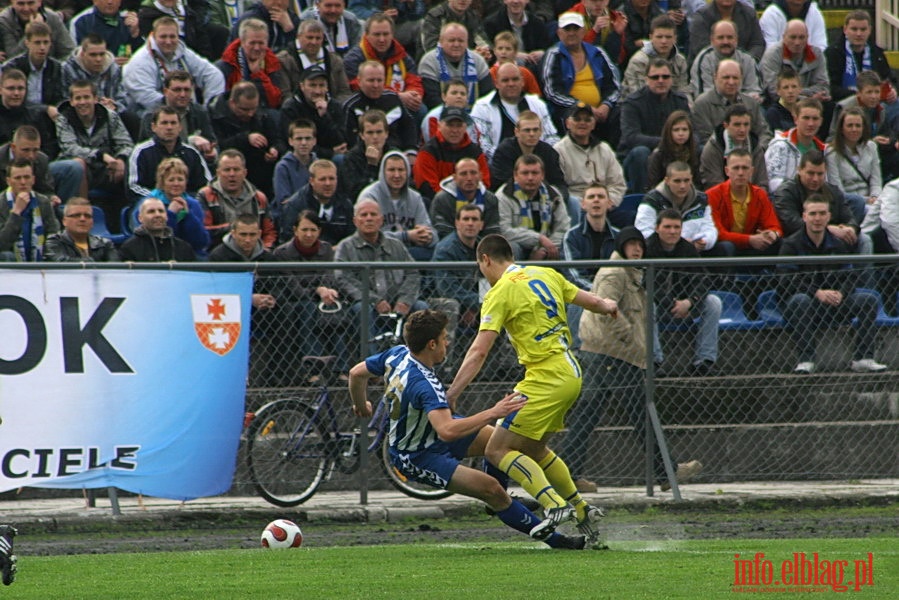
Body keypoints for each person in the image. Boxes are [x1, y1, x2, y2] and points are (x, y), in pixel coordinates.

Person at [348, 309, 588, 550]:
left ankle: (503, 502)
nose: (448, 342)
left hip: (430, 434)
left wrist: (361, 405)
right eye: (444, 338)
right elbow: (448, 431)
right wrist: (494, 412)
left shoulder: (397, 354)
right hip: (418, 456)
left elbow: (356, 374)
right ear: (432, 344)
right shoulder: (424, 385)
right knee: (492, 490)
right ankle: (559, 541)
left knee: (501, 443)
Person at [446, 233, 617, 542]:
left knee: (496, 449)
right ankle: (580, 508)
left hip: (545, 377)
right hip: (571, 371)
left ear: (485, 259)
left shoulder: (500, 293)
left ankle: (553, 504)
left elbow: (478, 351)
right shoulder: (546, 273)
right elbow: (591, 300)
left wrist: (453, 392)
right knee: (535, 449)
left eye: (479, 264)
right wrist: (607, 306)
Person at [559, 225, 703, 493]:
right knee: (640, 414)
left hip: (612, 354)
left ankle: (569, 475)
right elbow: (604, 307)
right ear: (622, 247)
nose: (637, 249)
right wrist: (628, 337)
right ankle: (667, 472)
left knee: (590, 415)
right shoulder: (615, 273)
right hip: (614, 355)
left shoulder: (632, 273)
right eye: (631, 244)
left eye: (640, 245)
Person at [777, 196, 887, 374]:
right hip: (804, 304)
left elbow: (850, 277)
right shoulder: (791, 244)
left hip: (834, 302)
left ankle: (863, 358)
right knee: (800, 300)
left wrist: (841, 293)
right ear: (804, 216)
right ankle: (806, 360)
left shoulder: (838, 244)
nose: (817, 218)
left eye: (822, 213)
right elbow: (786, 279)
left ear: (829, 217)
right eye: (813, 214)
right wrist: (817, 292)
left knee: (868, 300)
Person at [334, 198, 429, 360]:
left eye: (373, 214)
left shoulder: (396, 245)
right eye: (364, 215)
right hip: (363, 305)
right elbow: (343, 278)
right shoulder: (346, 247)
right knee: (363, 309)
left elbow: (413, 273)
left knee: (421, 307)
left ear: (381, 219)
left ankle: (422, 362)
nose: (369, 218)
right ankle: (375, 365)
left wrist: (405, 300)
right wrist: (374, 300)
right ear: (355, 221)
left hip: (398, 303)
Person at [644, 208, 722, 375]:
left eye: (676, 227)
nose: (672, 231)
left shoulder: (688, 249)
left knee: (714, 302)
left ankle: (704, 361)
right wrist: (674, 305)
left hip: (686, 304)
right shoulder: (647, 249)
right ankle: (654, 362)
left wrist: (690, 302)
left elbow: (703, 280)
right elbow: (647, 285)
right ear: (657, 228)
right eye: (667, 227)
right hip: (658, 305)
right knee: (646, 303)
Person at [273, 209, 345, 369]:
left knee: (334, 308)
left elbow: (328, 277)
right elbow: (293, 288)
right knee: (309, 309)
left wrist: (327, 290)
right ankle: (314, 368)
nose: (309, 234)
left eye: (313, 230)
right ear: (295, 230)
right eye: (304, 229)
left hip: (323, 299)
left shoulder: (326, 250)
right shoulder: (282, 253)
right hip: (293, 303)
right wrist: (317, 290)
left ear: (319, 231)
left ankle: (341, 368)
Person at [55, 80, 134, 225]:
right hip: (78, 169)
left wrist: (121, 160)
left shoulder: (110, 116)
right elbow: (70, 148)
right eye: (78, 98)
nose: (82, 102)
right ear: (71, 101)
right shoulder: (63, 119)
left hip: (106, 168)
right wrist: (101, 155)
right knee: (78, 164)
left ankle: (128, 221)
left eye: (86, 97)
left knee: (127, 168)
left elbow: (126, 143)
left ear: (95, 99)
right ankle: (83, 217)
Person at [541, 12, 621, 139]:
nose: (572, 33)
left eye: (576, 29)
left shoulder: (598, 52)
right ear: (559, 33)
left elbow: (614, 86)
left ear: (583, 31)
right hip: (569, 109)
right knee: (572, 117)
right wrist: (584, 108)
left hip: (601, 111)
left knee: (620, 113)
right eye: (567, 29)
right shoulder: (553, 55)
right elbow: (552, 92)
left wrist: (606, 105)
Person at [122, 16, 225, 113]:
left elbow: (213, 75)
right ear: (153, 36)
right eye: (163, 37)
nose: (168, 41)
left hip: (186, 111)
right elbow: (147, 98)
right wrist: (180, 109)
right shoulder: (139, 62)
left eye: (172, 36)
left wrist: (208, 108)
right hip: (149, 115)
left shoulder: (183, 52)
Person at [619, 58, 690, 194]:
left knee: (697, 148)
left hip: (672, 152)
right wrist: (666, 142)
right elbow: (631, 137)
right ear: (646, 79)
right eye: (655, 77)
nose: (661, 80)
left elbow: (692, 131)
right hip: (636, 158)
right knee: (641, 152)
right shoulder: (633, 103)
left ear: (672, 79)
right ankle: (642, 199)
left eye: (665, 76)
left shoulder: (680, 101)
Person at [208, 81, 285, 200]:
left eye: (253, 109)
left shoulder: (262, 114)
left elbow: (278, 139)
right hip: (230, 175)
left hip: (262, 177)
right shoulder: (215, 115)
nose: (250, 114)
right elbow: (218, 146)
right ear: (232, 103)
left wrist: (275, 150)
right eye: (244, 109)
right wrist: (245, 138)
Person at [469, 62, 558, 162]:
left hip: (537, 164)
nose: (511, 84)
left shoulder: (538, 104)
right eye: (505, 80)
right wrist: (513, 159)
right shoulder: (481, 107)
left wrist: (537, 159)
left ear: (522, 82)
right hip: (498, 166)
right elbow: (482, 145)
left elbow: (552, 138)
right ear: (496, 83)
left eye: (515, 79)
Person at [772, 149, 861, 248]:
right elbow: (791, 223)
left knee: (863, 239)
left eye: (820, 174)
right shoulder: (785, 192)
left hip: (832, 240)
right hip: (798, 240)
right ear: (799, 170)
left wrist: (851, 229)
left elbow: (849, 217)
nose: (815, 179)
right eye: (810, 173)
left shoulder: (833, 191)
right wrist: (829, 229)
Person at [358, 151, 437, 261]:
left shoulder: (415, 197)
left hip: (409, 253)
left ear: (407, 172)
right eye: (391, 170)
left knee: (434, 253)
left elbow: (432, 234)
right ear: (383, 173)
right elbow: (369, 237)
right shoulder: (369, 196)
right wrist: (406, 236)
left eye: (401, 170)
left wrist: (427, 236)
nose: (397, 175)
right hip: (376, 254)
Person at [343, 12, 424, 118]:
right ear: (366, 35)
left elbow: (414, 79)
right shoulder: (354, 58)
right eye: (377, 34)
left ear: (392, 34)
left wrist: (414, 94)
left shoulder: (401, 54)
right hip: (368, 101)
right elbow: (357, 86)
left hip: (401, 98)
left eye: (386, 34)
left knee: (420, 109)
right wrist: (397, 96)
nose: (382, 39)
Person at [128, 105, 213, 205]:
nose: (169, 127)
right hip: (149, 208)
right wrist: (162, 200)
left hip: (187, 207)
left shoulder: (192, 153)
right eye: (164, 123)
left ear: (180, 127)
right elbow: (133, 187)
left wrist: (187, 201)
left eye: (173, 123)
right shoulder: (141, 151)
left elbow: (207, 186)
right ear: (153, 127)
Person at [706, 149, 783, 257]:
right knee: (727, 246)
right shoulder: (712, 195)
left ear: (751, 171)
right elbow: (717, 233)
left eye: (745, 168)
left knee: (779, 243)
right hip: (726, 247)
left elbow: (774, 226)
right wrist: (749, 240)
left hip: (752, 246)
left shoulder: (760, 194)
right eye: (736, 168)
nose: (741, 173)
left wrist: (772, 234)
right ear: (727, 171)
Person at [197, 149, 277, 251]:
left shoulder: (259, 198)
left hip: (254, 256)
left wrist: (266, 249)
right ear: (218, 173)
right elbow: (203, 232)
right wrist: (232, 228)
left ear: (245, 172)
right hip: (218, 256)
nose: (232, 174)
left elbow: (269, 232)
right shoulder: (205, 195)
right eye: (227, 170)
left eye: (236, 169)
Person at [553, 101, 626, 213]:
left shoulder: (604, 149)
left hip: (606, 206)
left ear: (594, 124)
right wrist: (586, 204)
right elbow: (559, 188)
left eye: (587, 120)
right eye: (577, 119)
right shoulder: (558, 151)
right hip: (577, 208)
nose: (582, 123)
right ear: (568, 123)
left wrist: (609, 201)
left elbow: (617, 183)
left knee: (630, 217)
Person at [496, 154, 570, 260]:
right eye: (525, 173)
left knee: (566, 246)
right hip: (520, 247)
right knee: (511, 248)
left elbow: (563, 229)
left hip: (547, 248)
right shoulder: (504, 196)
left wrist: (545, 248)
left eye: (535, 173)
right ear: (515, 175)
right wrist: (539, 239)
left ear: (542, 175)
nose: (530, 178)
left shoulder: (554, 195)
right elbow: (504, 231)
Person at [635, 161, 718, 256]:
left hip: (695, 249)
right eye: (677, 181)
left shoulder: (701, 200)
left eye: (686, 180)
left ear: (691, 179)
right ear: (667, 181)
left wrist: (705, 241)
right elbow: (643, 231)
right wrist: (679, 243)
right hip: (663, 251)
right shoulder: (652, 200)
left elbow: (709, 227)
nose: (682, 186)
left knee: (724, 248)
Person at [132, 157, 210, 258]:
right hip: (154, 251)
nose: (176, 184)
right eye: (171, 180)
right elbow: (153, 238)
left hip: (187, 253)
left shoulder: (193, 204)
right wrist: (171, 214)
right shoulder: (148, 204)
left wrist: (188, 215)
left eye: (180, 179)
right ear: (162, 182)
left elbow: (201, 242)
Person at [342, 60, 418, 158]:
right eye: (371, 80)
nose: (376, 85)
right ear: (359, 81)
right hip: (363, 157)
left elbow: (408, 126)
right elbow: (350, 141)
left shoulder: (393, 99)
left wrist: (410, 151)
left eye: (379, 80)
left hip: (397, 155)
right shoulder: (350, 106)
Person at [414, 106, 490, 202]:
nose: (454, 130)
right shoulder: (428, 152)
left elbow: (484, 183)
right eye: (450, 125)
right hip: (440, 205)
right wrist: (454, 203)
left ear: (465, 127)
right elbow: (427, 187)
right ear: (439, 125)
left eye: (459, 125)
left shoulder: (475, 152)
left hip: (473, 205)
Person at [692, 59, 772, 148]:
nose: (731, 82)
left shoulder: (751, 103)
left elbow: (764, 133)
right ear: (715, 77)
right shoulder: (702, 104)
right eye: (726, 77)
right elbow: (705, 139)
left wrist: (757, 152)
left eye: (735, 78)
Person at [825, 10, 898, 105]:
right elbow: (830, 87)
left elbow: (889, 78)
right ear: (845, 29)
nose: (859, 34)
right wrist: (860, 95)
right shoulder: (833, 53)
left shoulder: (877, 53)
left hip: (875, 102)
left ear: (870, 30)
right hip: (845, 103)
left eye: (863, 29)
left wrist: (893, 90)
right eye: (854, 29)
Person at [432, 203, 484, 332]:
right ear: (457, 223)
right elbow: (447, 290)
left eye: (474, 219)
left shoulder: (483, 248)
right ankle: (445, 352)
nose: (470, 223)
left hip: (471, 300)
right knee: (451, 305)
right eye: (466, 219)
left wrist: (474, 307)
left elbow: (486, 282)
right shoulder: (446, 249)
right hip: (436, 299)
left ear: (481, 224)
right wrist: (476, 302)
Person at [216, 18, 290, 109]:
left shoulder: (273, 63)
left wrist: (258, 75)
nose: (257, 48)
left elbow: (275, 102)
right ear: (242, 42)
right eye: (252, 43)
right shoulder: (225, 66)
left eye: (261, 43)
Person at [278, 65, 348, 161]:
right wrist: (329, 153)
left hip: (331, 158)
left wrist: (324, 116)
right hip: (301, 158)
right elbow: (292, 143)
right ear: (302, 86)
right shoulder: (291, 108)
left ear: (327, 87)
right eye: (312, 85)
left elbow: (341, 141)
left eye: (321, 85)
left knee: (341, 159)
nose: (317, 91)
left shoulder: (334, 106)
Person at [418, 23, 493, 110]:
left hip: (475, 114)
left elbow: (488, 95)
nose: (456, 44)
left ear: (467, 42)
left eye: (461, 41)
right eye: (451, 40)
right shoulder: (429, 61)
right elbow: (431, 98)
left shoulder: (478, 61)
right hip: (440, 113)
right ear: (441, 42)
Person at [279, 158, 354, 246]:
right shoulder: (295, 205)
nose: (328, 183)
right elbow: (287, 241)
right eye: (322, 179)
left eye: (332, 178)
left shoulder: (345, 204)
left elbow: (351, 237)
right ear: (312, 181)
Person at [489, 110, 565, 197]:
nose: (532, 134)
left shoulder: (549, 152)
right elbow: (501, 182)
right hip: (510, 197)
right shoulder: (504, 151)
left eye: (535, 130)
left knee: (572, 201)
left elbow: (559, 183)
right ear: (517, 132)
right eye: (527, 130)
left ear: (541, 132)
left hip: (544, 197)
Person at [276, 19, 352, 104]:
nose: (314, 42)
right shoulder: (284, 60)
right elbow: (285, 95)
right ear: (298, 36)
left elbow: (344, 92)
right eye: (309, 37)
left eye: (318, 38)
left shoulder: (335, 61)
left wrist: (332, 108)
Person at [825, 107, 882, 220]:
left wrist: (875, 197)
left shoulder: (871, 147)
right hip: (850, 203)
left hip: (873, 201)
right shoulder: (831, 152)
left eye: (858, 125)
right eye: (849, 125)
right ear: (841, 128)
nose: (854, 129)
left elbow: (876, 180)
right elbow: (838, 190)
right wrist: (865, 200)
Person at [759, 20, 829, 106]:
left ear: (807, 37)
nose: (797, 42)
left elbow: (823, 87)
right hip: (779, 105)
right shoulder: (772, 55)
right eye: (793, 37)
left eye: (801, 37)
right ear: (784, 37)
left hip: (812, 105)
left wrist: (794, 93)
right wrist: (809, 99)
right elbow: (774, 91)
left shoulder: (816, 54)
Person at [1, 21, 65, 115]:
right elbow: (13, 100)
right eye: (37, 43)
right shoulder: (12, 67)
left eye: (46, 42)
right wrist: (44, 109)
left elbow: (59, 98)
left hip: (48, 117)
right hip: (18, 115)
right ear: (27, 43)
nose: (42, 47)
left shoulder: (55, 67)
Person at [690, 20, 764, 102]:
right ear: (712, 40)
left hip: (744, 109)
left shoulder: (747, 60)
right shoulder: (704, 60)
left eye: (730, 37)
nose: (725, 42)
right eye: (720, 37)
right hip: (713, 110)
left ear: (736, 39)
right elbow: (704, 97)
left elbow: (755, 92)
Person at [700, 103, 769, 190]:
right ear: (726, 125)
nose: (742, 129)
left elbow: (762, 182)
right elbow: (714, 184)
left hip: (752, 198)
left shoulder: (755, 146)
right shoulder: (713, 148)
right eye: (737, 125)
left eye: (746, 124)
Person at [0, 158, 58, 261]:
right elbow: (2, 244)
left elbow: (53, 235)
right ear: (8, 181)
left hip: (40, 259)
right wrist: (16, 213)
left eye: (27, 177)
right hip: (9, 263)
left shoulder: (43, 202)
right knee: (6, 255)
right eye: (17, 178)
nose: (23, 182)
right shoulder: (1, 203)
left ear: (33, 180)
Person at [621, 15, 691, 101]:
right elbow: (639, 96)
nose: (664, 41)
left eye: (668, 37)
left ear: (675, 38)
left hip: (671, 107)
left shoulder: (680, 61)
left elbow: (683, 92)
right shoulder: (639, 61)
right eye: (659, 37)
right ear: (651, 37)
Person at [765, 97, 826, 195]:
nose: (810, 123)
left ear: (821, 121)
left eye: (815, 119)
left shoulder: (824, 150)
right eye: (806, 118)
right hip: (787, 199)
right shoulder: (780, 146)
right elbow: (772, 183)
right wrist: (801, 190)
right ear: (795, 119)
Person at [429, 157, 501, 239]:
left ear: (480, 176)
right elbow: (441, 230)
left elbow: (493, 230)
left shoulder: (490, 199)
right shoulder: (442, 199)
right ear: (455, 178)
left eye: (473, 173)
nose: (469, 178)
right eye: (463, 174)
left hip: (483, 247)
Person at [61, 34, 130, 115]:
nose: (98, 59)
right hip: (78, 115)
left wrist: (114, 105)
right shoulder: (67, 69)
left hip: (111, 115)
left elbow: (123, 98)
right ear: (83, 54)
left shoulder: (114, 69)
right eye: (93, 55)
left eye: (102, 54)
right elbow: (63, 101)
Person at [339, 108, 396, 202]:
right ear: (362, 135)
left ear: (386, 133)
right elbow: (356, 194)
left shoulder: (394, 155)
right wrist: (371, 166)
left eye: (379, 132)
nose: (375, 137)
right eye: (370, 132)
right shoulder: (351, 158)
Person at [119, 196, 196, 261]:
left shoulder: (184, 248)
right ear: (140, 218)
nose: (157, 215)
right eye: (151, 211)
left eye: (161, 211)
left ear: (166, 216)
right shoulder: (129, 248)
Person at [43, 196, 119, 261]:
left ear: (92, 222)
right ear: (64, 221)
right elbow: (60, 264)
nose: (82, 219)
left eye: (87, 216)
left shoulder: (105, 244)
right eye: (76, 215)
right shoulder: (53, 242)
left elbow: (115, 269)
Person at [688, 0, 765, 62]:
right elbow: (701, 48)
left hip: (744, 68)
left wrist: (745, 62)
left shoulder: (749, 14)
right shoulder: (701, 17)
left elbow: (757, 44)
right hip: (708, 69)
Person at [0, 0, 75, 62]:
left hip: (50, 72)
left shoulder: (52, 18)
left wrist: (54, 69)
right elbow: (13, 58)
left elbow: (69, 52)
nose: (26, 8)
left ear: (39, 2)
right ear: (12, 3)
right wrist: (32, 30)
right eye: (20, 4)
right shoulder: (4, 21)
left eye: (30, 3)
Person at [69, 0, 143, 60]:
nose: (110, 2)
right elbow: (75, 56)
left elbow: (141, 54)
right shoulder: (81, 21)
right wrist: (109, 62)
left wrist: (135, 34)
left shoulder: (129, 19)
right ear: (95, 1)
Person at [647, 110, 700, 191]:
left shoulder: (695, 153)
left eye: (685, 129)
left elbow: (698, 182)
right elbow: (653, 186)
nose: (681, 133)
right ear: (668, 132)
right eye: (676, 130)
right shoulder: (658, 156)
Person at [420, 0, 491, 57]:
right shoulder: (435, 16)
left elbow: (483, 42)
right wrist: (469, 54)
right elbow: (431, 49)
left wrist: (484, 51)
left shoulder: (472, 16)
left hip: (467, 64)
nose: (463, 0)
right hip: (436, 64)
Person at [273, 119, 316, 210]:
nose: (303, 143)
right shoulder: (282, 167)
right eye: (299, 139)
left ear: (314, 141)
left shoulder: (319, 165)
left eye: (308, 138)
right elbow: (284, 203)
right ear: (290, 141)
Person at [568, 0, 627, 65]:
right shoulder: (571, 18)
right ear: (584, 1)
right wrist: (594, 31)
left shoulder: (615, 18)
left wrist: (616, 34)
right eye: (594, 1)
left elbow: (618, 59)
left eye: (602, 0)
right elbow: (573, 53)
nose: (598, 4)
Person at [233, 0, 302, 55]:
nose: (279, 2)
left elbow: (299, 54)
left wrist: (289, 30)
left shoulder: (293, 19)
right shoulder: (251, 18)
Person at [487, 31, 541, 97]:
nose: (503, 52)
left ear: (515, 52)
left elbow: (536, 97)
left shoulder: (525, 73)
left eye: (508, 49)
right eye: (500, 48)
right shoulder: (490, 73)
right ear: (495, 51)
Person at [759, 0, 827, 52]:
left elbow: (820, 47)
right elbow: (769, 49)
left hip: (809, 66)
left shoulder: (815, 12)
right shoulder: (771, 14)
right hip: (777, 67)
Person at [765, 67, 802, 134]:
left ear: (800, 89)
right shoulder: (773, 113)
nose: (790, 91)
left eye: (794, 87)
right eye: (786, 87)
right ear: (778, 91)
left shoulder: (804, 109)